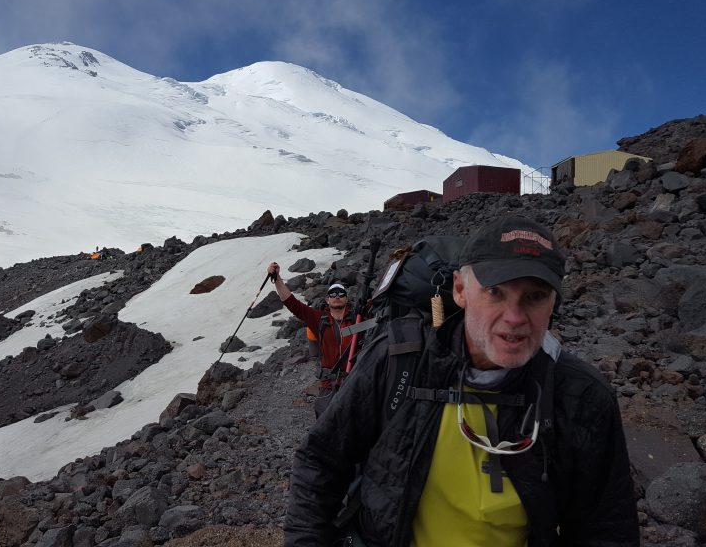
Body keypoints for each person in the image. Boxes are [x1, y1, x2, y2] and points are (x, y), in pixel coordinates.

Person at [285, 216, 639, 547]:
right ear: (459, 290)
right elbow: (321, 460)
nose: (514, 318)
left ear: (554, 302)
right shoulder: (399, 358)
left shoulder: (582, 396)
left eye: (535, 296)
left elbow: (606, 526)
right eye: (495, 292)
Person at [268, 262, 355, 417]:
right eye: (332, 294)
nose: (337, 297)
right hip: (329, 386)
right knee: (325, 426)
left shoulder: (358, 319)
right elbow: (292, 304)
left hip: (355, 382)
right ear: (327, 300)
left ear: (346, 299)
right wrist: (277, 278)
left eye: (341, 294)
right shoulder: (319, 319)